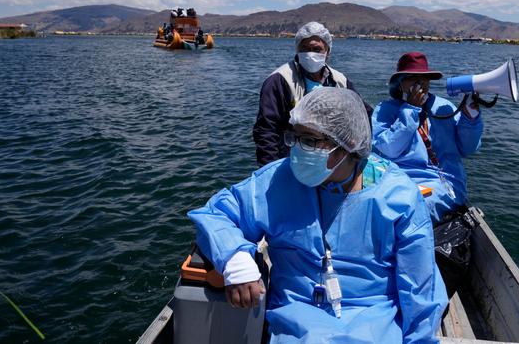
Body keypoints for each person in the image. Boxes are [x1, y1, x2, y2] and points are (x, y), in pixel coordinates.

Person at [189, 87, 447, 343]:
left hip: (374, 318)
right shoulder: (277, 180)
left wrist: (419, 340)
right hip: (295, 318)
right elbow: (217, 214)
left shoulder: (398, 196)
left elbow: (419, 285)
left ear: (349, 143)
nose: (296, 150)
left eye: (310, 141)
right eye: (294, 137)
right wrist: (234, 257)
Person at [371, 52, 483, 223]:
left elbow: (467, 148)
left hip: (444, 183)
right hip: (399, 180)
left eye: (424, 78)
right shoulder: (385, 110)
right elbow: (389, 149)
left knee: (409, 208)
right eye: (412, 78)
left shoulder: (444, 107)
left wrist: (471, 118)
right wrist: (410, 110)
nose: (419, 83)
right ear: (400, 83)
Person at [253, 21, 373, 167]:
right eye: (305, 49)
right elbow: (266, 130)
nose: (310, 54)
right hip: (292, 159)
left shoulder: (340, 81)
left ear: (327, 52)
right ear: (297, 50)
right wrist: (269, 168)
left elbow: (362, 114)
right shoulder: (279, 81)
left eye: (317, 49)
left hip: (330, 160)